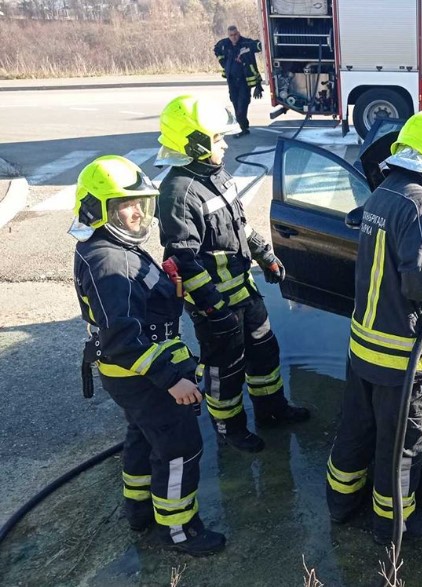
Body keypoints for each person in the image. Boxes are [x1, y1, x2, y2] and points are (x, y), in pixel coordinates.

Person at [325, 109, 422, 544]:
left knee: (355, 430)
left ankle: (340, 505)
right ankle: (393, 526)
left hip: (364, 349)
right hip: (401, 357)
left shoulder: (383, 193)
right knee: (401, 447)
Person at [71, 155, 225, 556]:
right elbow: (123, 338)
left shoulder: (111, 245)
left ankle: (139, 511)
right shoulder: (110, 260)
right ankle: (180, 530)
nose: (137, 212)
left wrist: (166, 286)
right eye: (126, 205)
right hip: (144, 376)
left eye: (140, 203)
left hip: (134, 375)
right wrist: (171, 380)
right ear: (97, 209)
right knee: (179, 450)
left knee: (142, 437)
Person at [155, 94, 309, 454]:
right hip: (217, 306)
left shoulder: (217, 175)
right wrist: (213, 309)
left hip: (244, 292)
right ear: (194, 143)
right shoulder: (178, 193)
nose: (223, 144)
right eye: (216, 138)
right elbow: (183, 260)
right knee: (225, 369)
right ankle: (230, 429)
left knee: (264, 353)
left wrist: (265, 255)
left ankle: (272, 411)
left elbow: (239, 225)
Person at [213, 25, 263, 138]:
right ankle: (243, 127)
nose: (234, 37)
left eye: (235, 34)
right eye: (231, 35)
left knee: (242, 105)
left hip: (244, 82)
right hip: (232, 81)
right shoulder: (224, 44)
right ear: (228, 36)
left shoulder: (246, 43)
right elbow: (216, 50)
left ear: (239, 33)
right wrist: (224, 64)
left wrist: (258, 85)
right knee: (235, 103)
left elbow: (258, 46)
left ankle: (243, 128)